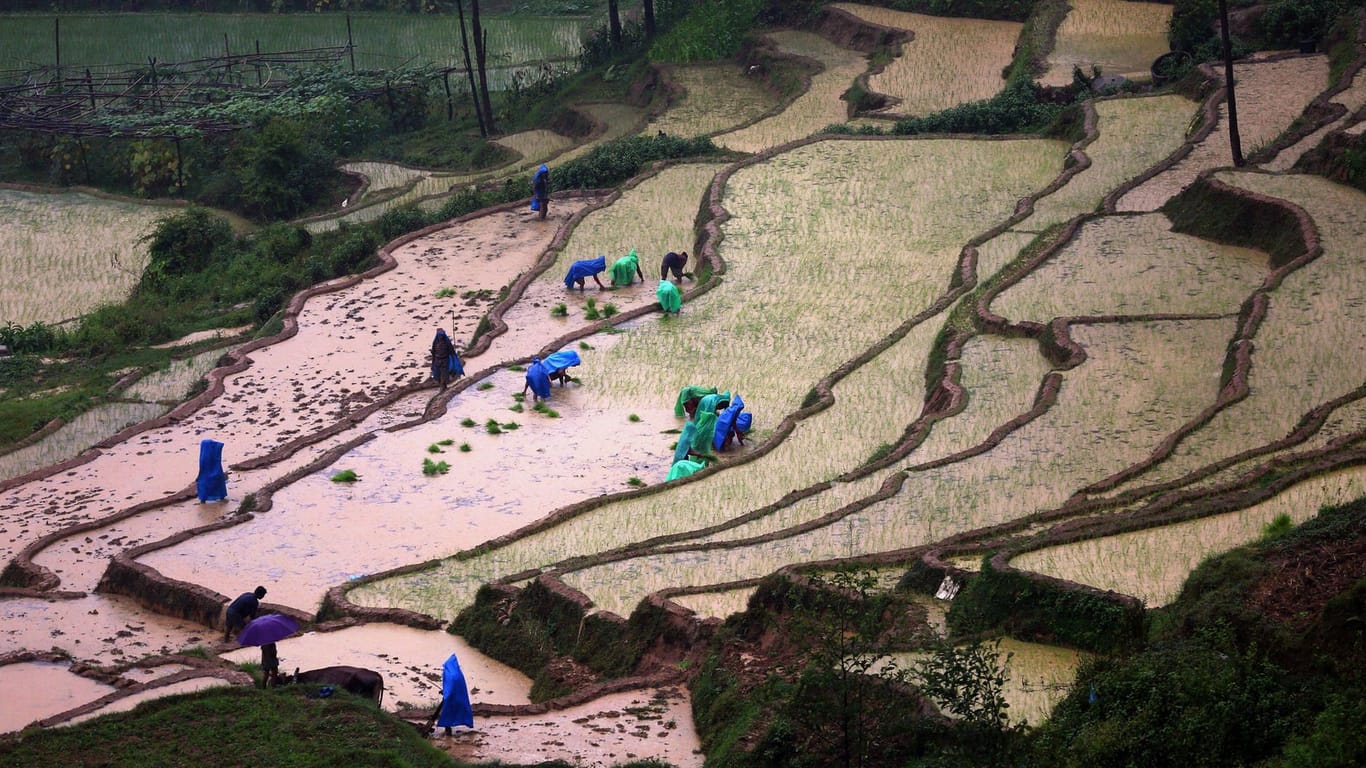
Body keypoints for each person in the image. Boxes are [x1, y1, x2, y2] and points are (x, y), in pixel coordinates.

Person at [196, 438, 228, 503]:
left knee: (204, 485)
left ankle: (203, 499)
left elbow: (202, 467)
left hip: (205, 475)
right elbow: (219, 446)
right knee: (218, 483)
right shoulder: (214, 453)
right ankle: (221, 496)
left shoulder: (204, 455)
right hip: (216, 472)